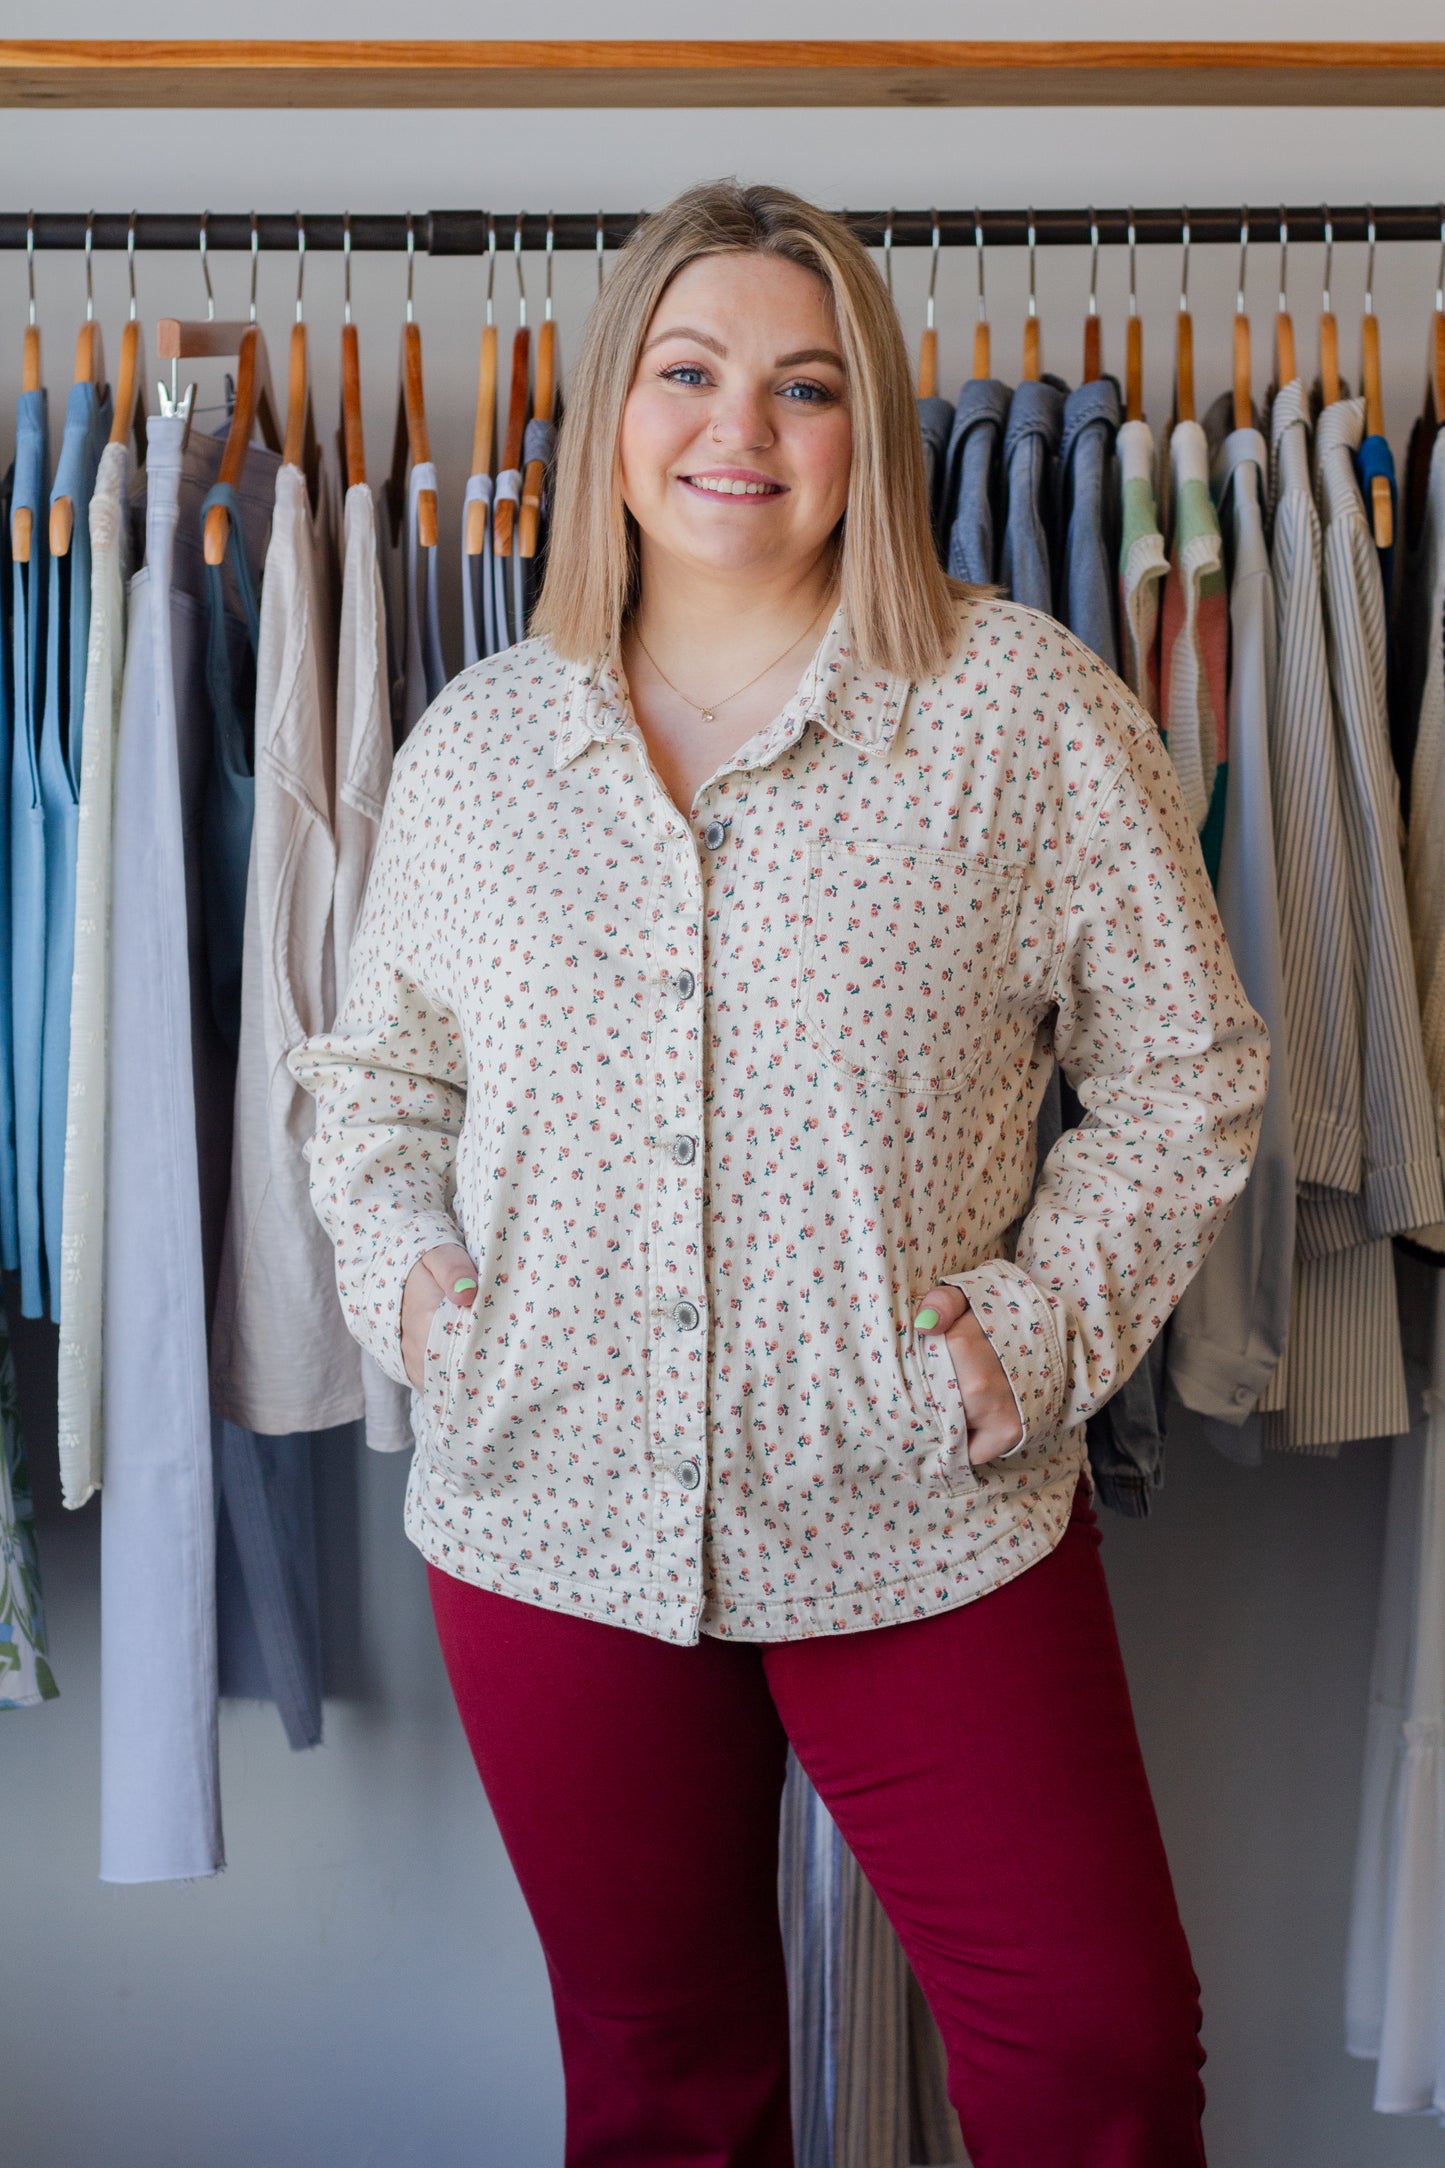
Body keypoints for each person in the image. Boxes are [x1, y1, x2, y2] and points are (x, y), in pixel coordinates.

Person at [288, 180, 1268, 2168]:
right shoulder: (477, 752)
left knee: (1094, 2057)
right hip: (553, 1518)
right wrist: (423, 1301)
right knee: (664, 2087)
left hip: (924, 1508)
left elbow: (1189, 1064)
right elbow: (369, 1085)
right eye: (692, 371)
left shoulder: (1020, 713)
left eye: (807, 386)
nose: (741, 430)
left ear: (871, 434)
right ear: (613, 414)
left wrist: (1049, 1321)